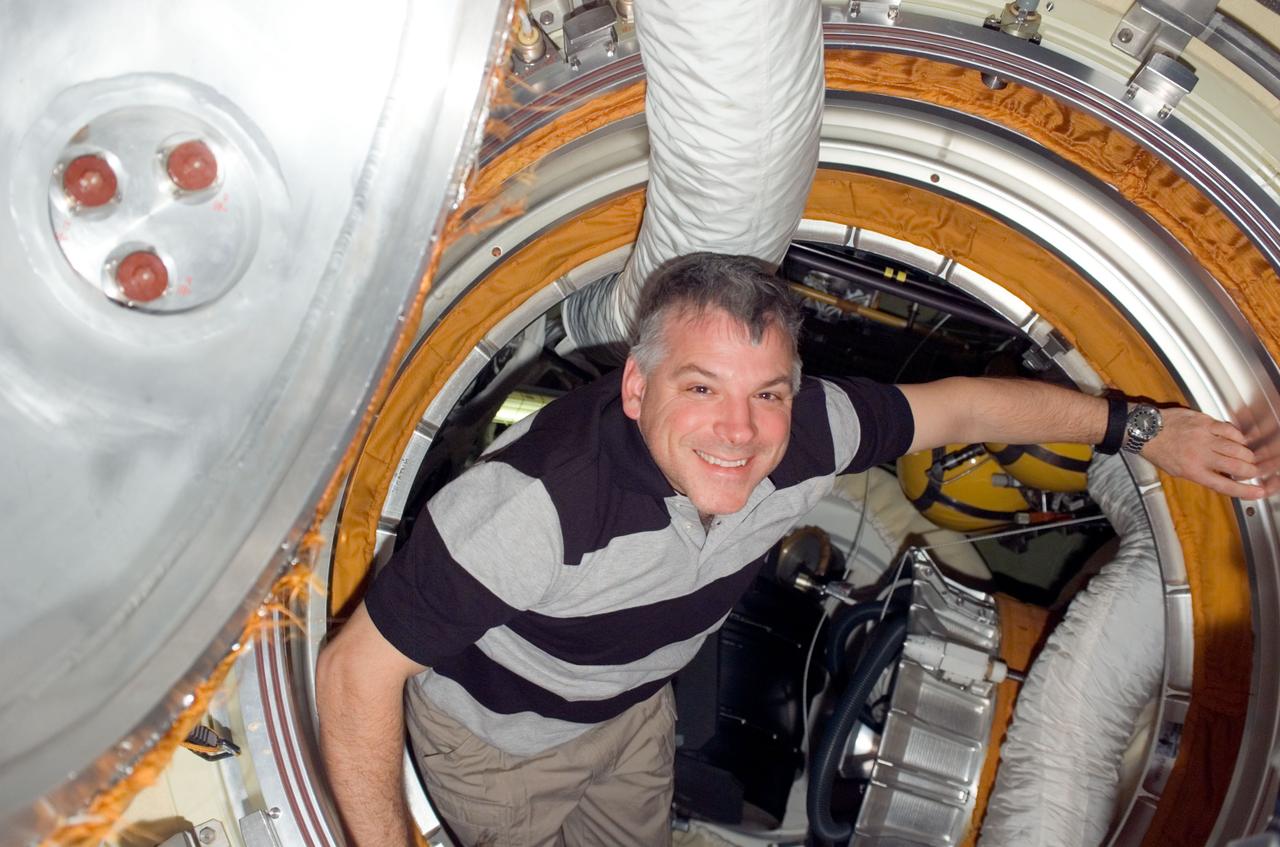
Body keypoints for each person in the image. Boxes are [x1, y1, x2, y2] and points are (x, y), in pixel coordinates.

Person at [315, 252, 1264, 847]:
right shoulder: (535, 506)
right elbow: (354, 675)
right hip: (502, 746)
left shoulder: (814, 429)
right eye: (702, 389)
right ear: (638, 388)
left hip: (631, 711)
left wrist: (1138, 431)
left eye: (766, 391)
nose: (740, 431)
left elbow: (969, 405)